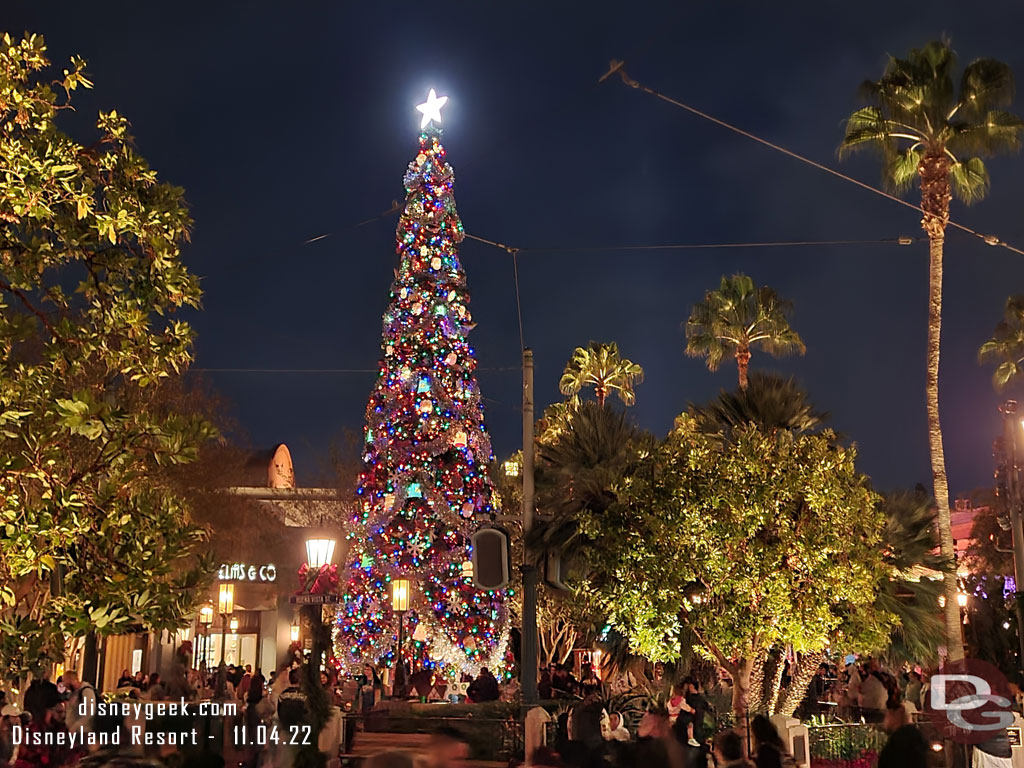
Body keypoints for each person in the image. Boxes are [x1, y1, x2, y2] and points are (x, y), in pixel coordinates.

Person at [14, 680, 77, 768]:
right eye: (58, 711)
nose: (64, 715)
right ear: (41, 712)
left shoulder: (66, 735)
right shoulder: (27, 741)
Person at [877, 703, 928, 768]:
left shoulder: (899, 745)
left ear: (898, 714)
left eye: (887, 714)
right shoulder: (917, 740)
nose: (885, 721)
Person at [62, 671, 96, 740]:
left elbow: (90, 712)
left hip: (83, 732)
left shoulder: (86, 691)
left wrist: (76, 726)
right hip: (75, 732)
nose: (64, 684)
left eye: (65, 681)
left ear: (70, 680)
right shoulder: (74, 692)